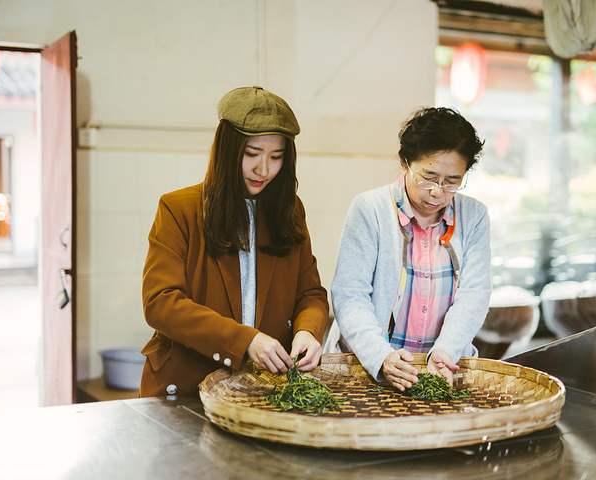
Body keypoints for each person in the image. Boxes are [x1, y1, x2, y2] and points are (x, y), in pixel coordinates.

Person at [140, 86, 328, 397]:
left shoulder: (289, 210)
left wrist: (308, 331)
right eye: (252, 154)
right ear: (227, 150)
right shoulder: (179, 208)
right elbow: (160, 302)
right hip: (185, 387)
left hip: (262, 388)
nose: (263, 170)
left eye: (276, 157)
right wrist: (246, 340)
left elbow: (310, 293)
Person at [329, 107, 491, 392]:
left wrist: (446, 351)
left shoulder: (473, 216)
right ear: (405, 164)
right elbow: (350, 293)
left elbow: (474, 294)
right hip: (368, 372)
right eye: (428, 176)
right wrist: (381, 356)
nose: (437, 191)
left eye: (452, 181)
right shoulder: (370, 209)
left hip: (441, 371)